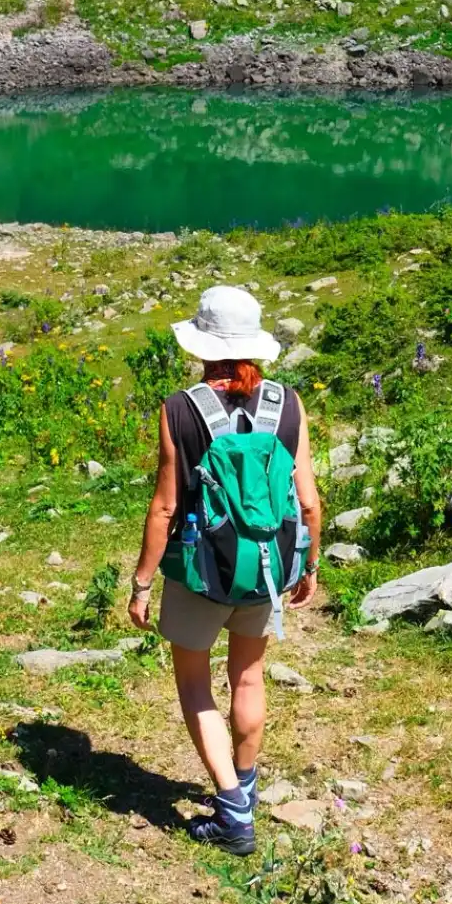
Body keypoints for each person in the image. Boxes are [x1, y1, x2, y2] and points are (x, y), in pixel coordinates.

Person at [128, 285, 323, 854]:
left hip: (201, 570)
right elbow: (308, 501)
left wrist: (142, 583)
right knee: (249, 677)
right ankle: (247, 787)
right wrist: (308, 563)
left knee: (195, 684)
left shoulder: (180, 408)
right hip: (266, 566)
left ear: (202, 346)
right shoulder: (287, 403)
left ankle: (234, 812)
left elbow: (165, 506)